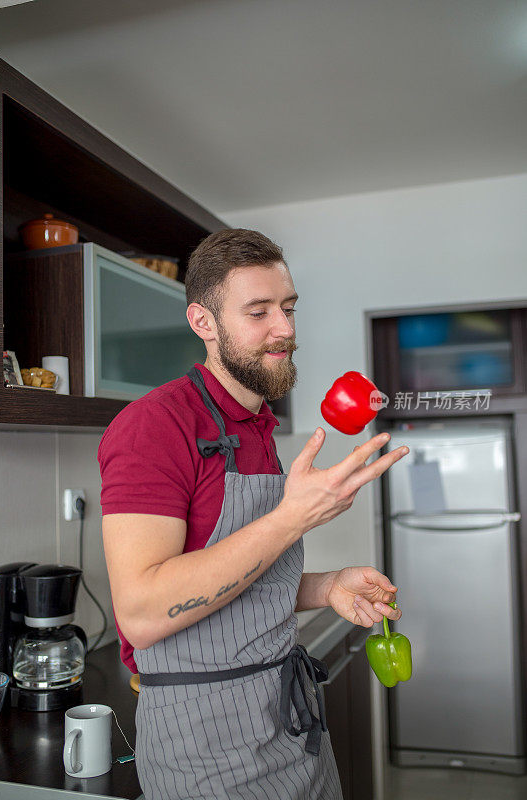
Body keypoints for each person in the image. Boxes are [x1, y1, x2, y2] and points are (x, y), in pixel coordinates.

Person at [98, 228, 409, 800]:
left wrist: (325, 587)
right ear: (203, 323)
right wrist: (294, 518)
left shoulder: (256, 426)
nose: (286, 330)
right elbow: (141, 611)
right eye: (259, 311)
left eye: (288, 308)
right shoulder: (154, 427)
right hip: (206, 752)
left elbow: (229, 581)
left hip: (291, 729)